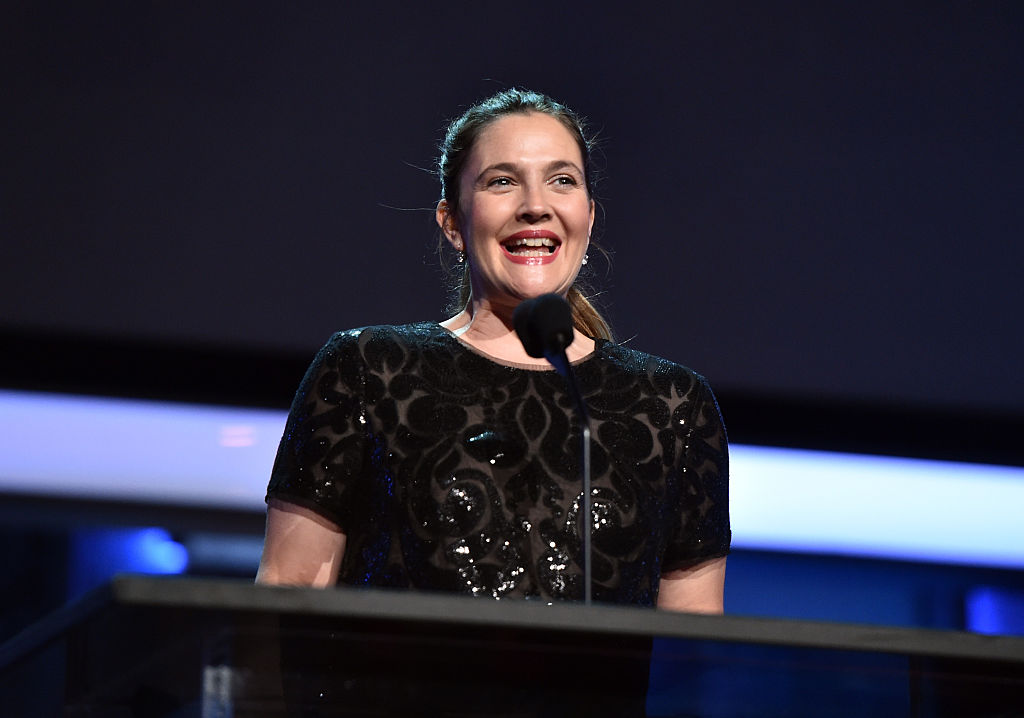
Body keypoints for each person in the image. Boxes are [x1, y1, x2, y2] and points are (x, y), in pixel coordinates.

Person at [256, 88, 729, 613]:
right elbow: (287, 589)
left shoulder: (672, 405)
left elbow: (694, 647)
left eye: (562, 181)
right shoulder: (368, 369)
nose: (534, 206)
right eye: (502, 181)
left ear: (589, 218)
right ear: (453, 222)